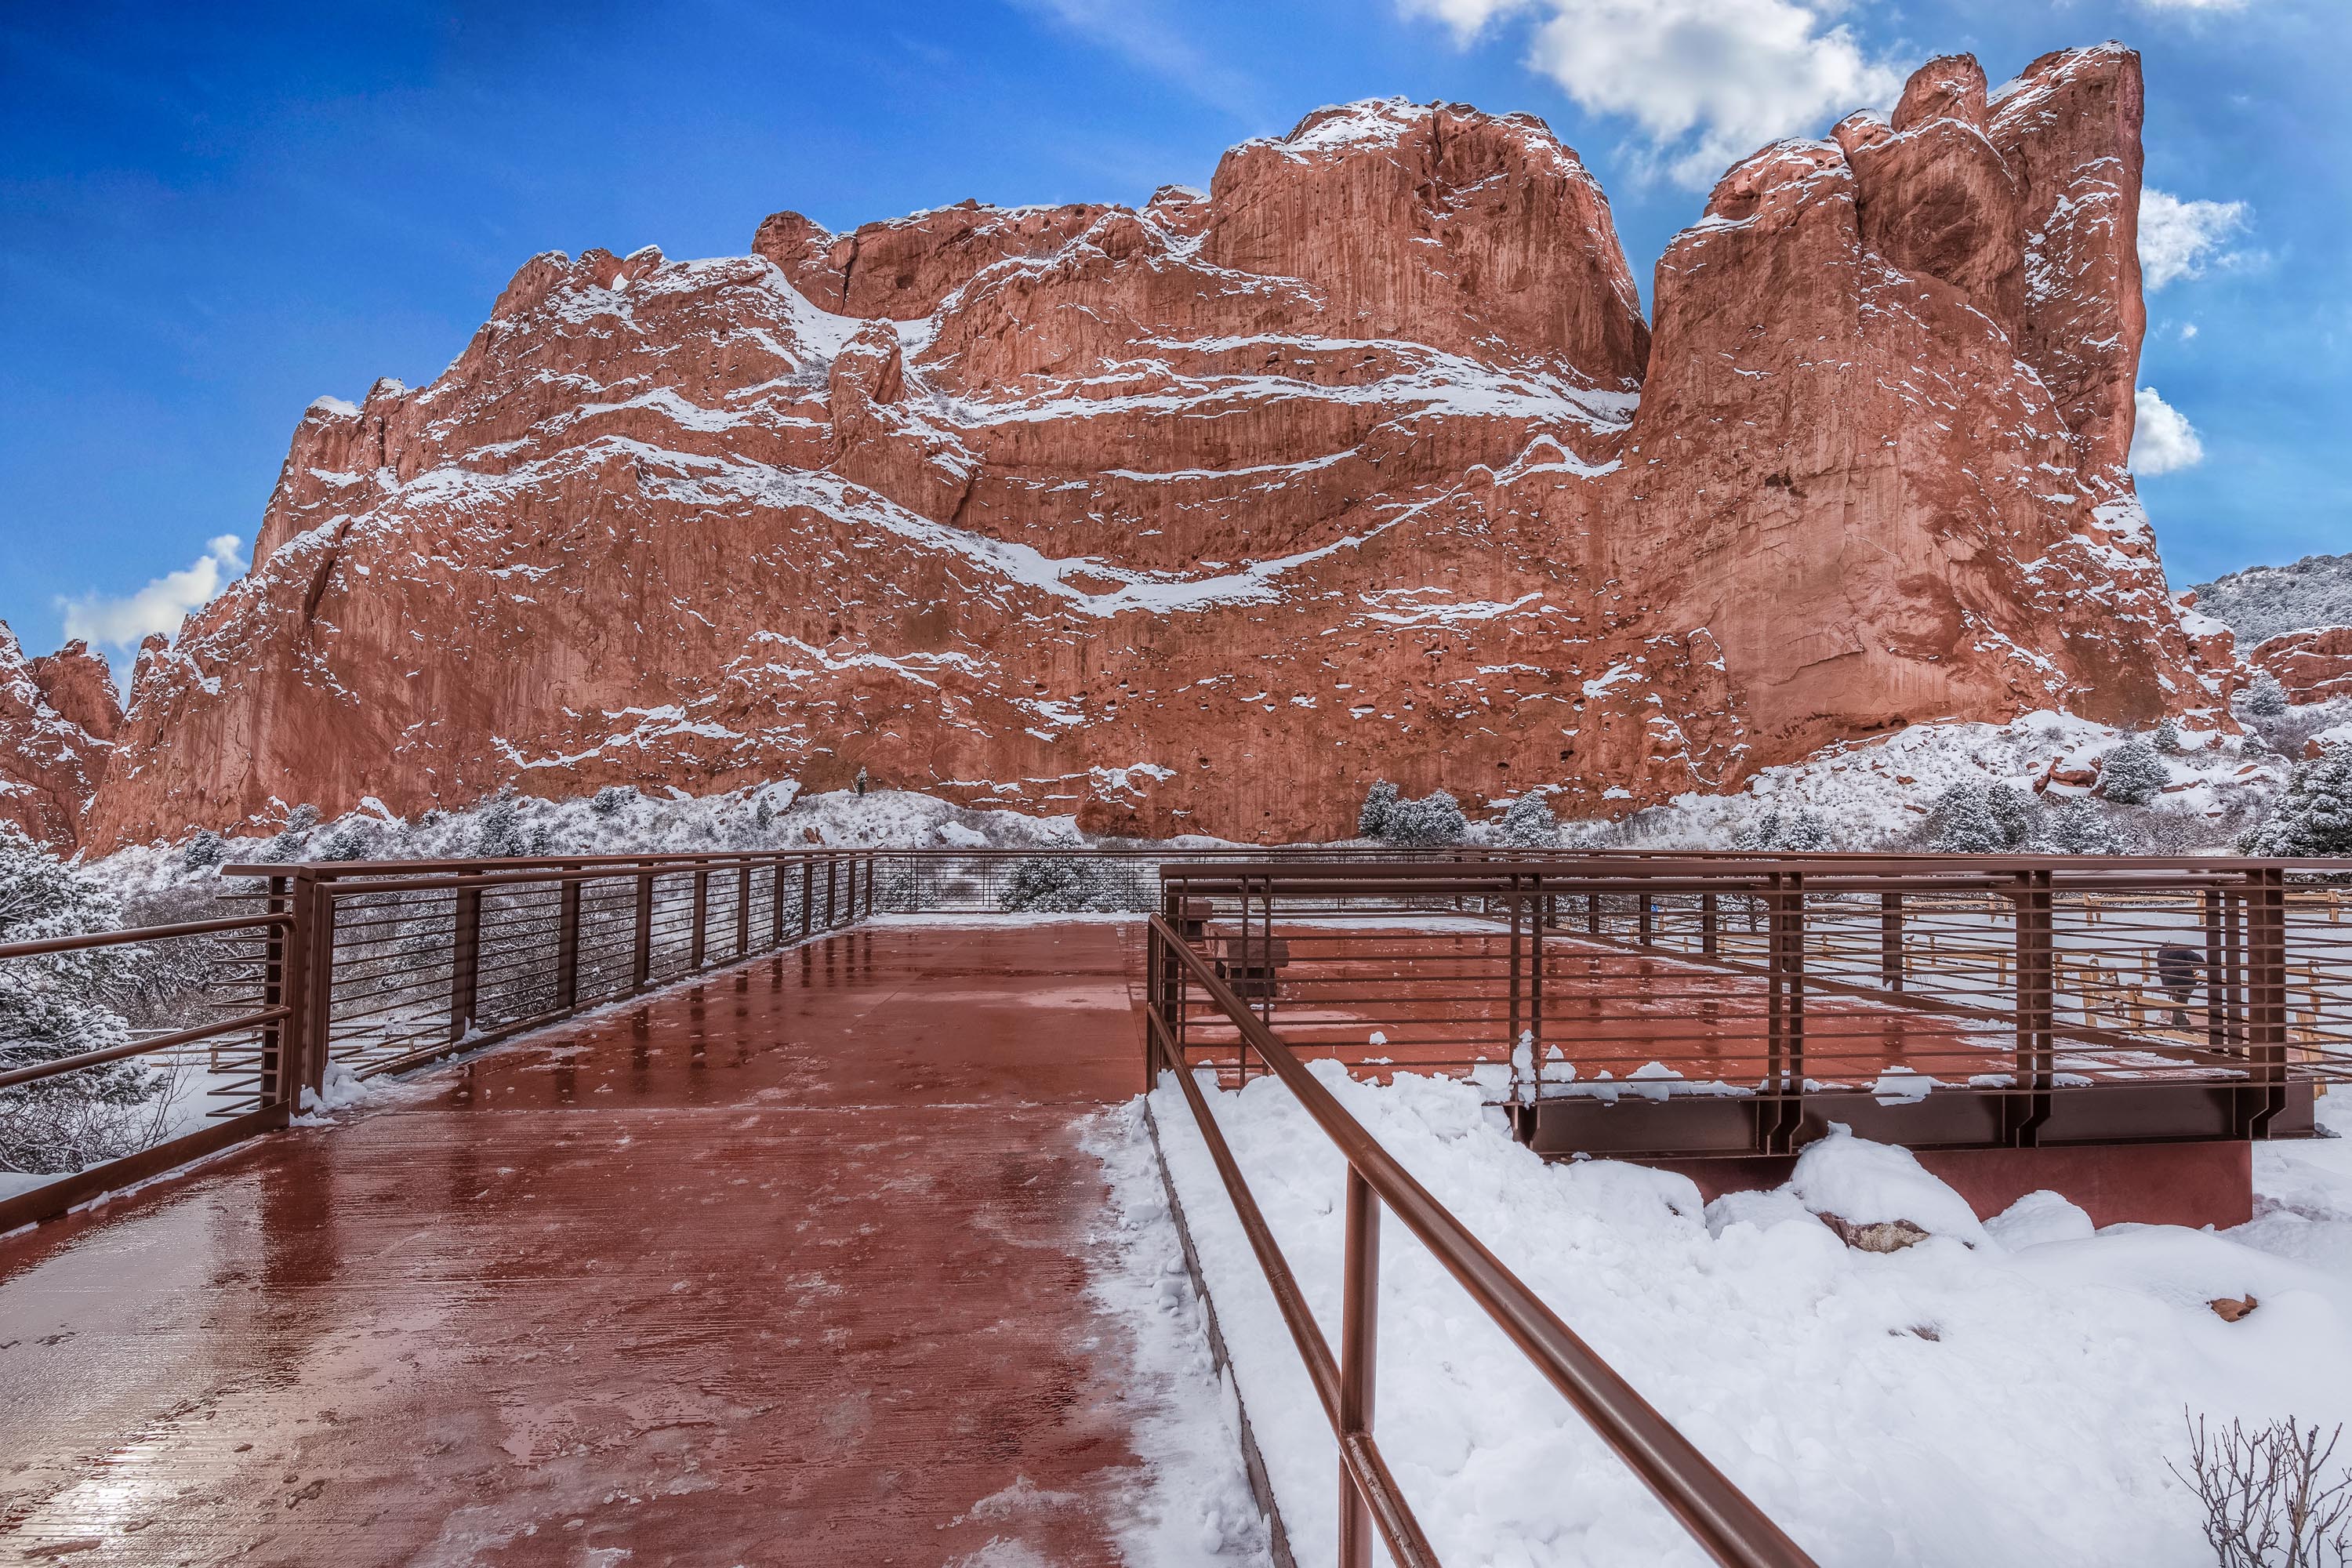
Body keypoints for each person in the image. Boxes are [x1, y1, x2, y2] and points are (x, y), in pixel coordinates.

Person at [2154, 942, 2207, 1030]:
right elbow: (2196, 958)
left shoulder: (2160, 953)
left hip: (2169, 982)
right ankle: (2182, 1025)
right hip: (2184, 981)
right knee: (2181, 1002)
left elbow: (2161, 970)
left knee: (2176, 1003)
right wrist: (2204, 967)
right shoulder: (2181, 950)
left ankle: (2177, 1024)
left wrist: (2165, 983)